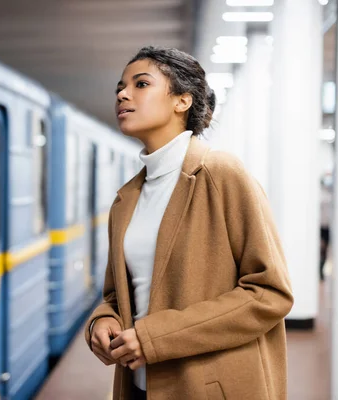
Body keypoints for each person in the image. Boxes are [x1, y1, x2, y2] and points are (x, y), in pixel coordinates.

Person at [84, 46, 294, 400]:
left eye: (141, 84)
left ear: (182, 100)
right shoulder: (126, 199)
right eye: (120, 86)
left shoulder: (222, 175)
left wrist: (154, 337)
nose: (122, 93)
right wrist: (103, 319)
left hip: (208, 387)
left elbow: (269, 293)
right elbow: (117, 294)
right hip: (139, 387)